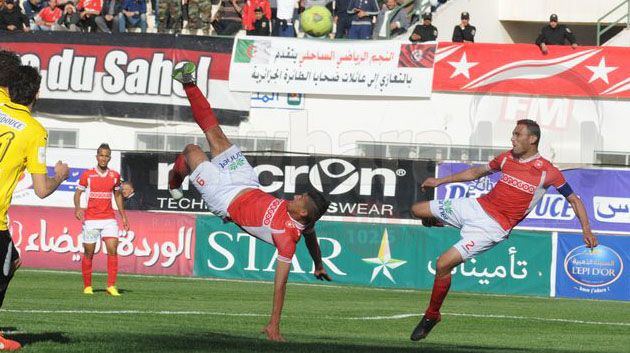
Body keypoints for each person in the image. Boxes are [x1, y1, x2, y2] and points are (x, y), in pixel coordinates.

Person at [168, 62, 331, 341]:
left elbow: (280, 286)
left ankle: (176, 177)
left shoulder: (287, 239)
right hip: (247, 181)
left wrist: (274, 325)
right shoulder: (307, 223)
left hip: (225, 197)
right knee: (215, 133)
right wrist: (318, 263)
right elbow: (313, 237)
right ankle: (187, 82)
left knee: (193, 150)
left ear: (303, 213)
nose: (294, 196)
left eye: (300, 198)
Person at [408, 119, 598, 341]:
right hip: (476, 206)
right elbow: (477, 173)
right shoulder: (507, 157)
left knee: (442, 263)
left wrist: (586, 229)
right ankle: (442, 221)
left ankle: (432, 315)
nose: (513, 138)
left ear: (532, 139)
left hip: (492, 227)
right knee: (417, 209)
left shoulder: (548, 171)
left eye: (518, 135)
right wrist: (440, 181)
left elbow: (574, 200)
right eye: (513, 134)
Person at [0, 63, 70, 351]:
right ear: (36, 95)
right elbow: (41, 190)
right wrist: (60, 176)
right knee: (5, 269)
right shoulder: (34, 131)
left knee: (12, 261)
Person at [74, 143, 129, 297]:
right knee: (89, 253)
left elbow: (118, 196)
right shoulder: (88, 175)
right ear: (97, 156)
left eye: (106, 156)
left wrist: (123, 216)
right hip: (91, 219)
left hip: (109, 219)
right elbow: (77, 193)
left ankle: (111, 286)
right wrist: (78, 208)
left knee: (112, 250)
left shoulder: (115, 176)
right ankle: (87, 286)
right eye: (101, 155)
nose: (103, 158)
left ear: (109, 158)